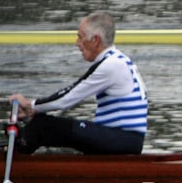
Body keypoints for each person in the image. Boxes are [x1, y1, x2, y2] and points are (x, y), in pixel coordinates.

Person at [9, 11, 148, 155]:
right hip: (122, 139)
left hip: (123, 139)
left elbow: (68, 98)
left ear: (95, 40)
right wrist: (35, 111)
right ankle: (20, 153)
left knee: (42, 125)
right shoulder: (117, 59)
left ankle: (12, 163)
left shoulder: (112, 65)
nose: (77, 43)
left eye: (80, 37)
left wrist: (30, 106)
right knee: (45, 125)